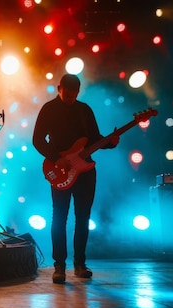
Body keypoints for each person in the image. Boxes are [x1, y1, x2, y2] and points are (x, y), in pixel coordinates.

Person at [32, 74, 118, 284]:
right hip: (60, 168)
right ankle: (59, 266)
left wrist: (111, 142)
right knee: (59, 217)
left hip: (85, 171)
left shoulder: (84, 110)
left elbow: (95, 138)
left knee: (83, 217)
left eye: (74, 95)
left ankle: (80, 264)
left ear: (78, 92)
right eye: (67, 95)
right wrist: (56, 158)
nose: (70, 98)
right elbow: (37, 140)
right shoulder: (49, 109)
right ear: (59, 88)